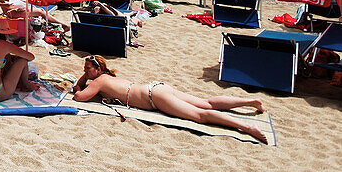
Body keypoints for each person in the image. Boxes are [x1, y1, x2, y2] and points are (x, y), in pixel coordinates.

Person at [71, 55, 266, 143]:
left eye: (88, 69)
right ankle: (250, 102)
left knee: (201, 115)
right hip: (156, 87)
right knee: (206, 102)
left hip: (153, 97)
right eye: (85, 69)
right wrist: (85, 76)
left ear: (99, 70)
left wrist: (80, 83)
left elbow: (79, 97)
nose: (85, 71)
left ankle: (247, 127)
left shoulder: (100, 81)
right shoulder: (108, 78)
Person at [0, 0, 68, 32]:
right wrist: (5, 5)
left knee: (40, 10)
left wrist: (21, 1)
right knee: (41, 12)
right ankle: (63, 25)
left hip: (18, 8)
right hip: (13, 12)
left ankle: (59, 25)